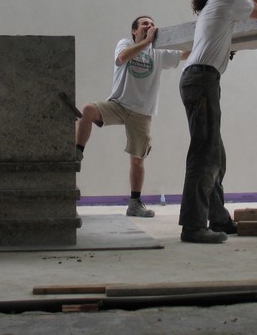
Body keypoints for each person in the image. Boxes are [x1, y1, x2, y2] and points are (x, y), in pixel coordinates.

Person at [178, 0, 257, 243]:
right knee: (204, 155)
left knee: (215, 155)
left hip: (199, 80)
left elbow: (252, 6)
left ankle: (218, 219)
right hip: (203, 80)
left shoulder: (217, 4)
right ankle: (193, 226)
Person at [76, 16, 188, 218]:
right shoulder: (125, 44)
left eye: (152, 24)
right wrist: (146, 42)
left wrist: (217, 47)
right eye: (145, 24)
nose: (150, 26)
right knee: (88, 110)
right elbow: (122, 58)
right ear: (134, 31)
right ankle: (77, 153)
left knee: (137, 160)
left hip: (141, 113)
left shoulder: (159, 52)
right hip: (118, 104)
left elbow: (184, 54)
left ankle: (134, 204)